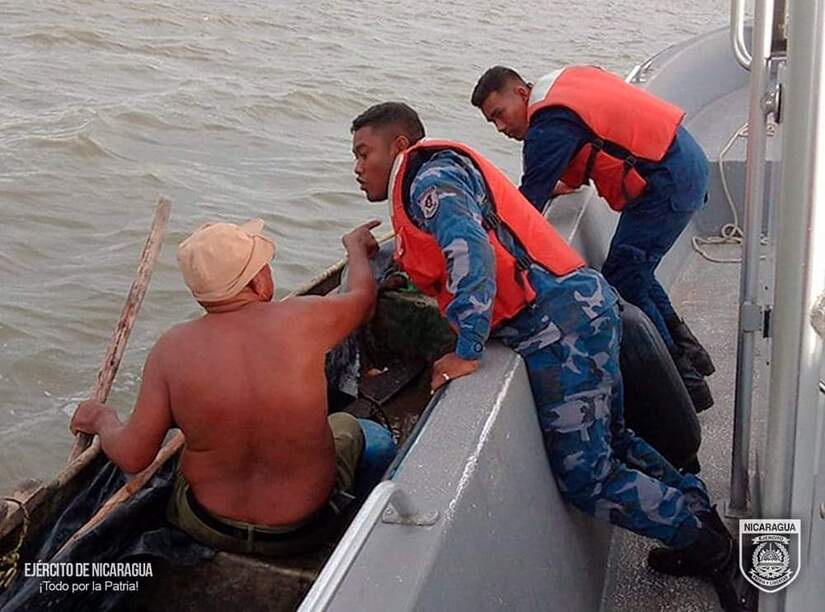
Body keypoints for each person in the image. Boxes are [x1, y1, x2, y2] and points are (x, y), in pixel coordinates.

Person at [349, 102, 752, 610]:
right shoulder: (430, 176)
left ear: (400, 146)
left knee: (587, 477)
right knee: (615, 440)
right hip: (579, 308)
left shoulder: (429, 181)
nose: (357, 167)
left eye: (364, 153)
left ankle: (711, 548)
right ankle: (702, 521)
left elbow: (469, 250)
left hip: (559, 325)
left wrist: (468, 349)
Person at [70, 218, 397, 557]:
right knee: (354, 429)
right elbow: (363, 300)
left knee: (192, 443)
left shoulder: (171, 350)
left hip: (209, 525)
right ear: (258, 281)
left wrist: (102, 419)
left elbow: (133, 456)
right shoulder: (304, 318)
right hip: (304, 529)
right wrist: (356, 248)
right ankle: (361, 532)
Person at [470, 65, 716, 413]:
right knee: (634, 271)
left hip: (667, 182)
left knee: (623, 279)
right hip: (682, 159)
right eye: (491, 122)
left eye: (500, 114)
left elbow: (524, 210)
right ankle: (694, 357)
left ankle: (685, 383)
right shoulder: (563, 85)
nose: (500, 127)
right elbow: (586, 145)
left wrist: (475, 243)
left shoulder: (548, 124)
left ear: (522, 94)